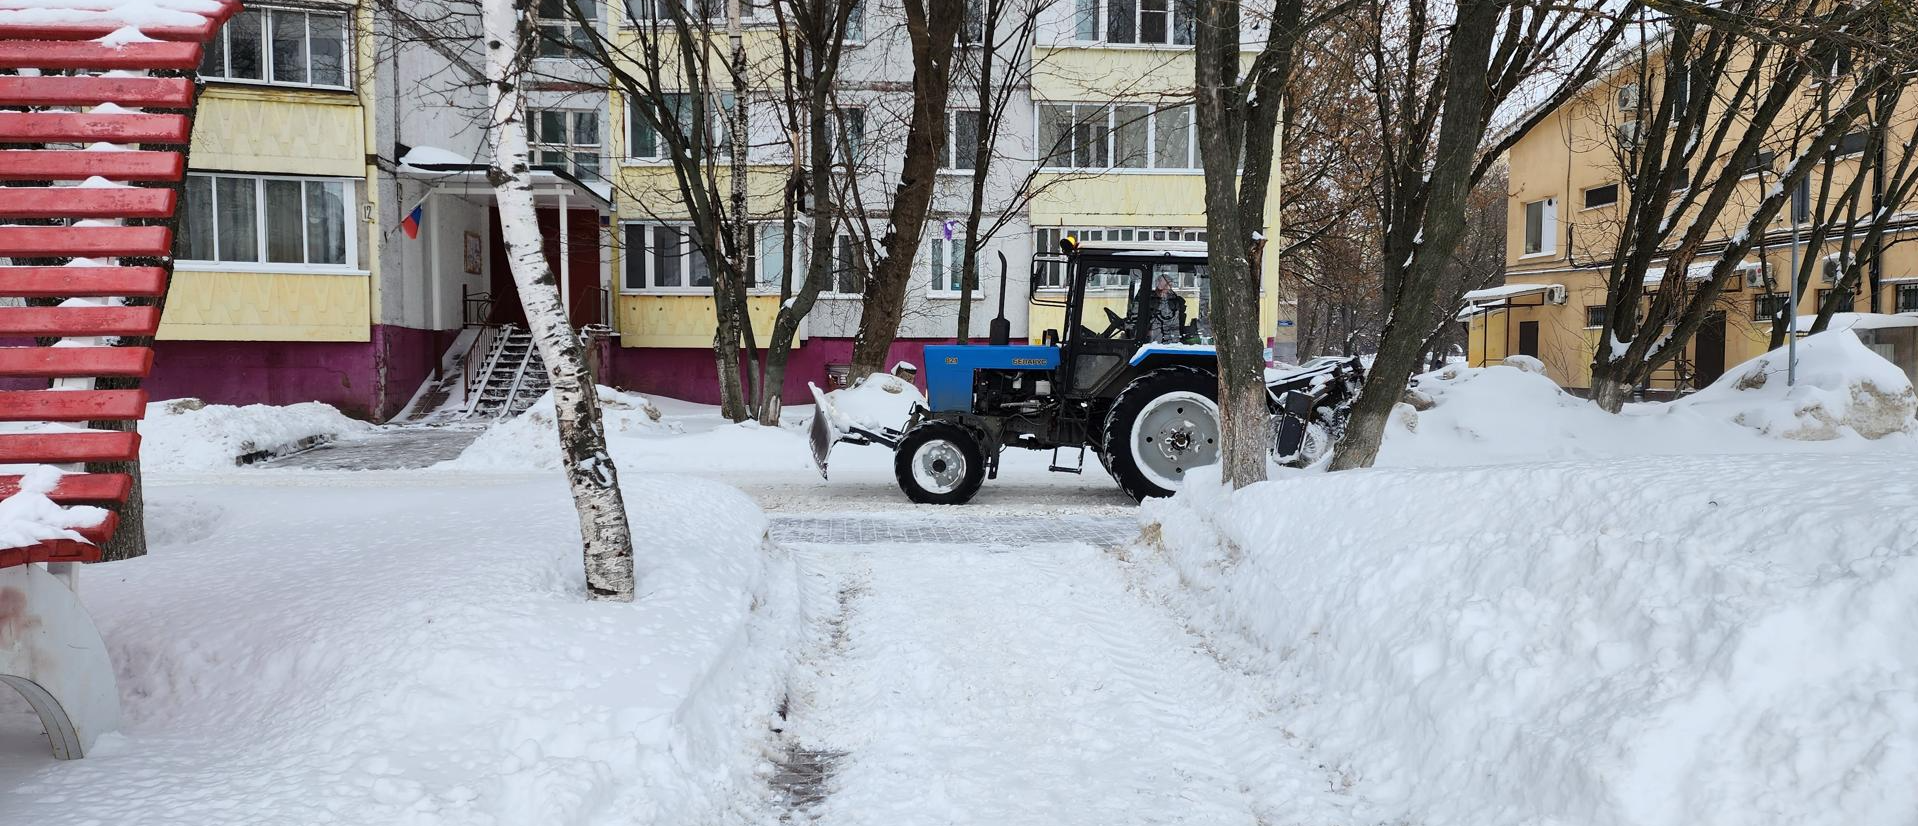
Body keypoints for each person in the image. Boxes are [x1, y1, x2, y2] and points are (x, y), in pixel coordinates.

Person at [1144, 274, 1187, 343]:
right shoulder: (1147, 299)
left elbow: (1176, 324)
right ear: (1157, 284)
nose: (1168, 288)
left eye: (1170, 285)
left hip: (1172, 342)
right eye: (1166, 285)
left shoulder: (1175, 301)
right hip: (1152, 342)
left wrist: (1176, 340)